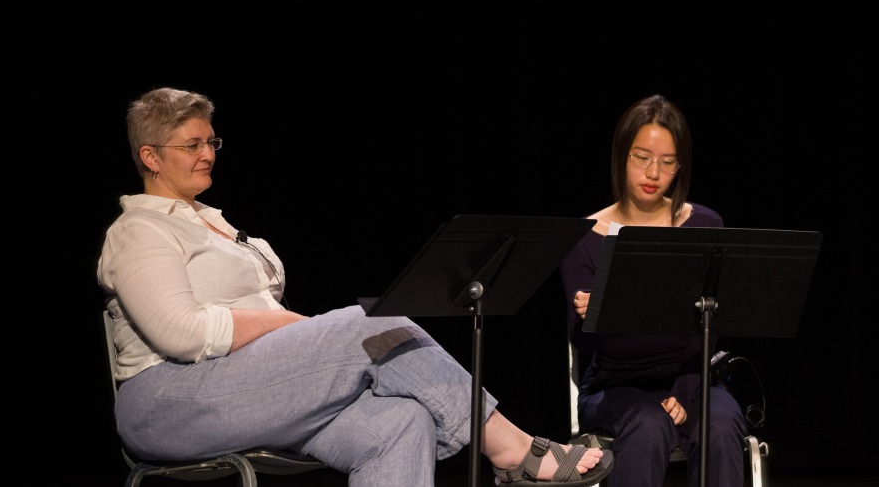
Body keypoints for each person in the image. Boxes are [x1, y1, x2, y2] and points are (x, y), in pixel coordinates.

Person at [97, 86, 614, 487]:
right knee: (373, 321)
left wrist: (293, 331)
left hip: (246, 388)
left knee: (403, 419)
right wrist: (288, 325)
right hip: (169, 401)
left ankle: (505, 446)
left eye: (211, 140)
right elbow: (183, 335)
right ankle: (511, 447)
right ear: (150, 156)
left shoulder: (212, 221)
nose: (207, 152)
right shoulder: (140, 230)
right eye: (192, 144)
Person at [559, 94, 747, 487]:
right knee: (648, 423)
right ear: (621, 156)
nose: (653, 172)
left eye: (667, 162)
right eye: (641, 157)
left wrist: (683, 390)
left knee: (721, 423)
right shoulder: (583, 236)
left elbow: (708, 328)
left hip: (691, 377)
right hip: (614, 387)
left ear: (681, 166)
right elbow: (584, 345)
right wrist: (592, 317)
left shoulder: (705, 226)